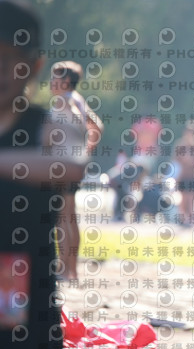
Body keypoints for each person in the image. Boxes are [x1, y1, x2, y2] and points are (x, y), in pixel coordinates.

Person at [0, 1, 85, 349]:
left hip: (27, 306)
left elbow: (71, 163)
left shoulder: (51, 125)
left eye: (8, 62)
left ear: (33, 66)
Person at [49, 60, 103, 281]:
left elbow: (76, 125)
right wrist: (86, 150)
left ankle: (64, 269)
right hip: (72, 164)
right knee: (70, 217)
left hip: (63, 165)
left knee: (62, 219)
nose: (50, 82)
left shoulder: (65, 101)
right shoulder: (77, 99)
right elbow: (97, 126)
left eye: (55, 78)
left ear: (66, 81)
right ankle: (72, 271)